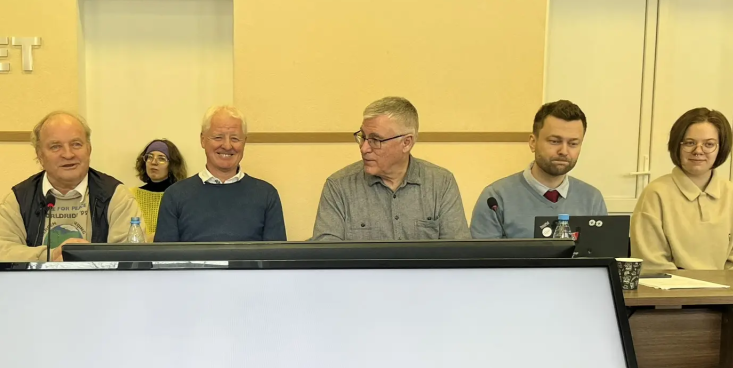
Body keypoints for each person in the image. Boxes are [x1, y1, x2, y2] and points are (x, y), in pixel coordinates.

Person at [0, 111, 141, 261]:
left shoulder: (115, 195)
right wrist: (49, 256)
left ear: (89, 149)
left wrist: (88, 258)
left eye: (76, 144)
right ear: (40, 155)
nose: (68, 154)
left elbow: (131, 255)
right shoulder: (20, 198)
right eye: (55, 146)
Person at [312, 96, 468, 241]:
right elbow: (326, 256)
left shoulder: (441, 183)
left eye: (375, 140)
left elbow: (459, 253)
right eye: (363, 137)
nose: (364, 148)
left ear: (406, 143)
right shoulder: (339, 186)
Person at [631, 107, 733, 273]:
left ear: (721, 148)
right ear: (677, 146)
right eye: (689, 143)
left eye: (709, 144)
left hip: (725, 289)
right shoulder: (655, 193)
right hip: (670, 288)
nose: (698, 151)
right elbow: (652, 262)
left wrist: (722, 287)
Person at [470, 100, 607, 239]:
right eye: (554, 141)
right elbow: (482, 253)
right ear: (533, 142)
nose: (564, 151)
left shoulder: (592, 199)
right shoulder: (496, 198)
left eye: (573, 143)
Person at [154, 106, 286, 242]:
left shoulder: (266, 195)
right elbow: (163, 254)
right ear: (203, 140)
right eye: (218, 137)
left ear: (244, 142)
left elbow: (276, 254)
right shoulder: (175, 196)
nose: (227, 146)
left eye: (235, 138)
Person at [131, 139, 186, 241]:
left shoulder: (180, 196)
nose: (154, 162)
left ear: (172, 165)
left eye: (161, 159)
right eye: (150, 157)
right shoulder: (131, 195)